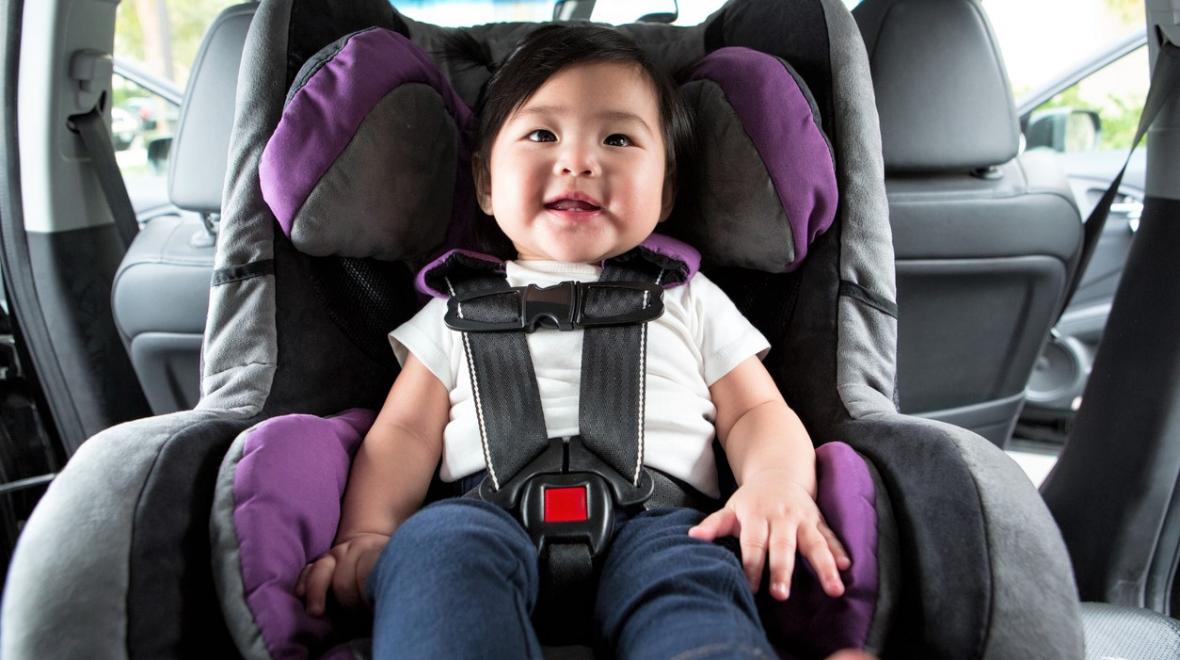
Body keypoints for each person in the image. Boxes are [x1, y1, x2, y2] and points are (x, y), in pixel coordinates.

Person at [297, 24, 852, 658]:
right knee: (432, 553)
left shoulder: (689, 297)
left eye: (617, 139)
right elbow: (403, 433)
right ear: (485, 183)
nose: (578, 162)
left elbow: (756, 411)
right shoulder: (452, 309)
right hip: (481, 515)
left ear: (667, 190)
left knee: (697, 579)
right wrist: (370, 532)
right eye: (542, 134)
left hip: (662, 523)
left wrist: (776, 482)